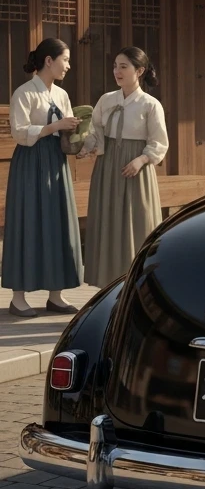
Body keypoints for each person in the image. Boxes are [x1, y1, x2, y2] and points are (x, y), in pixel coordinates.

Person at [2, 38, 83, 317]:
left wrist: (78, 134)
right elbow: (19, 132)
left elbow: (67, 129)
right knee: (27, 220)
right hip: (30, 161)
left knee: (57, 221)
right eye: (65, 60)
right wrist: (54, 126)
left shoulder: (62, 95)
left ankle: (56, 295)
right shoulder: (24, 93)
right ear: (49, 61)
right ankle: (18, 298)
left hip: (56, 162)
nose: (68, 66)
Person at [80, 47, 169, 288]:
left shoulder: (150, 104)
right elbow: (96, 131)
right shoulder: (106, 100)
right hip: (107, 167)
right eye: (115, 66)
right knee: (107, 221)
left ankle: (136, 284)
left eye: (123, 67)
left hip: (136, 170)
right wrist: (86, 146)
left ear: (139, 71)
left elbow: (159, 142)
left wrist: (141, 160)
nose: (117, 71)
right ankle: (106, 286)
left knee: (136, 222)